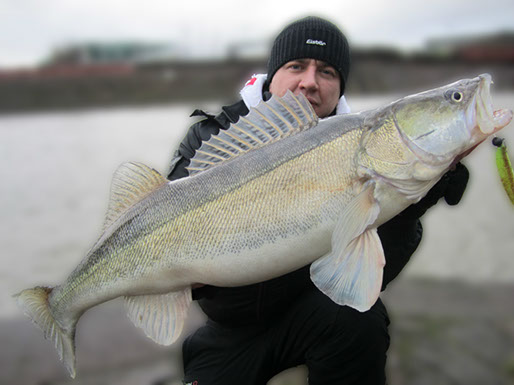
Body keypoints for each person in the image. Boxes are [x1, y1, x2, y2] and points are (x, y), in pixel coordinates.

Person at [167, 16, 469, 385]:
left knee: (360, 321)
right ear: (272, 75)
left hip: (314, 312)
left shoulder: (370, 152)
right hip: (230, 330)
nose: (309, 81)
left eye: (326, 71)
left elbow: (367, 278)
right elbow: (162, 224)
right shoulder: (212, 134)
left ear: (339, 88)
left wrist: (412, 205)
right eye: (296, 66)